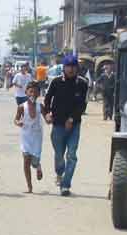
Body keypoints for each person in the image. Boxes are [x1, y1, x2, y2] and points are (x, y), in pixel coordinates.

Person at [44, 54, 89, 196]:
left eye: (74, 66)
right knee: (59, 155)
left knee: (72, 155)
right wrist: (46, 113)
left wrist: (71, 119)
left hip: (74, 125)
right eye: (68, 66)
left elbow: (83, 105)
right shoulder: (56, 82)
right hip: (57, 125)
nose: (71, 69)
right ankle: (59, 173)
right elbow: (47, 100)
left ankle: (65, 185)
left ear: (77, 68)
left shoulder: (82, 83)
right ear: (63, 67)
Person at [14, 81, 47, 193]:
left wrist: (49, 119)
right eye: (31, 91)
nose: (33, 94)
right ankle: (29, 186)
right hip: (26, 136)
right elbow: (16, 119)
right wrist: (18, 122)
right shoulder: (21, 107)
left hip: (37, 137)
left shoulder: (40, 106)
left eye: (35, 92)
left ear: (38, 94)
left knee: (34, 161)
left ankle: (38, 167)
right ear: (26, 93)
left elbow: (46, 117)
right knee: (26, 160)